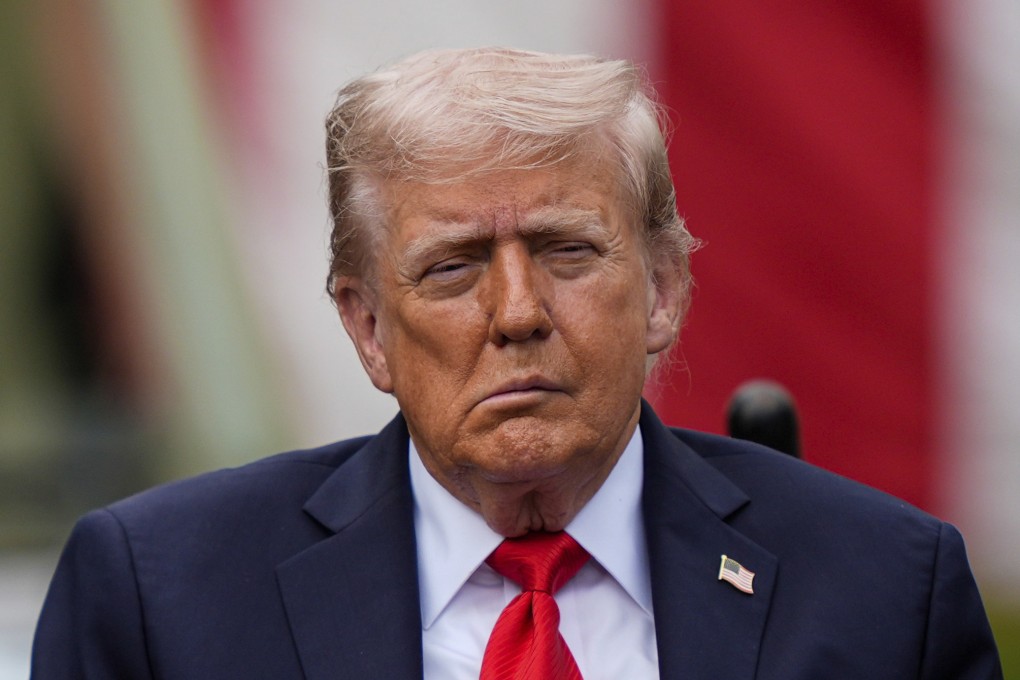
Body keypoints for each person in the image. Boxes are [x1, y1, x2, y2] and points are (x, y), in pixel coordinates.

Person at [31, 47, 1001, 680]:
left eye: (566, 251)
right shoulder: (161, 599)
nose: (519, 313)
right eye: (452, 269)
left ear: (663, 289)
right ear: (367, 326)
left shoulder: (886, 594)